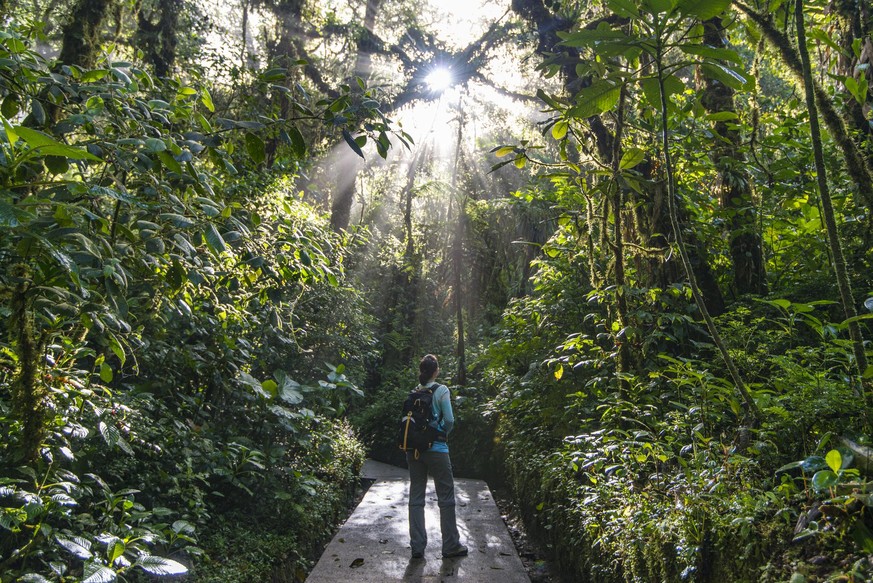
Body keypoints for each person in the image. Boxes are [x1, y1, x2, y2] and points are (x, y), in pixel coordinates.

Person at [407, 354, 468, 560]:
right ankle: (450, 545)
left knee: (416, 497)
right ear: (436, 371)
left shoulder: (414, 391)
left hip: (413, 449)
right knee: (446, 497)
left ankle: (417, 546)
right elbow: (449, 419)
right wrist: (441, 432)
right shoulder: (441, 390)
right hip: (437, 449)